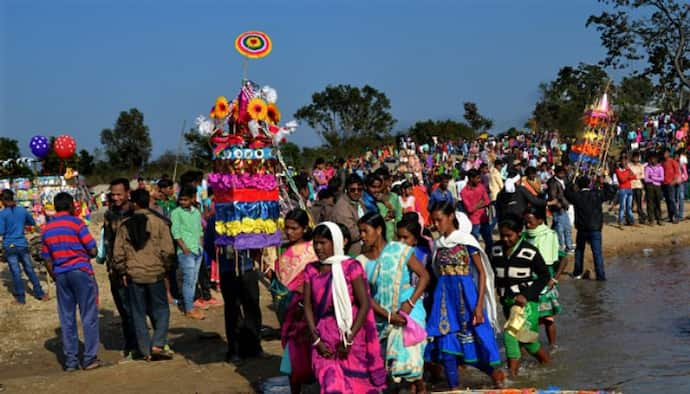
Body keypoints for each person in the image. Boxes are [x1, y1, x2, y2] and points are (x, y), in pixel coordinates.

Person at [426, 201, 504, 389]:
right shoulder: (438, 245)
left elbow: (482, 272)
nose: (436, 225)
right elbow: (436, 272)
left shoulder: (466, 241)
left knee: (474, 342)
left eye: (439, 220)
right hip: (445, 299)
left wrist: (478, 306)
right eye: (433, 221)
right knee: (447, 346)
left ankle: (497, 376)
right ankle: (454, 388)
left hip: (467, 297)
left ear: (451, 216)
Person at [303, 222, 387, 393]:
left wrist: (349, 339)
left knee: (356, 386)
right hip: (324, 336)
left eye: (323, 243)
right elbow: (307, 306)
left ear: (336, 242)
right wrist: (316, 339)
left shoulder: (351, 267)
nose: (318, 247)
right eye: (315, 243)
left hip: (351, 335)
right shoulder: (311, 270)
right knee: (330, 384)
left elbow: (364, 305)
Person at [357, 213, 429, 392]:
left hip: (410, 312)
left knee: (410, 365)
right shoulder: (362, 261)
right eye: (360, 232)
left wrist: (410, 304)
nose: (362, 236)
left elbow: (424, 276)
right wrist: (388, 316)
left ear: (379, 230)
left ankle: (420, 387)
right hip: (383, 317)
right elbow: (365, 297)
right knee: (390, 371)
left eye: (365, 231)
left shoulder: (399, 250)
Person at [113, 189, 175, 361]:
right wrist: (165, 268)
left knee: (138, 313)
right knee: (161, 310)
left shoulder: (124, 225)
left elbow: (117, 254)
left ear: (134, 203)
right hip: (156, 273)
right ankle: (158, 343)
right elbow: (168, 251)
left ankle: (145, 351)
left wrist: (123, 271)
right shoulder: (160, 223)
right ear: (148, 201)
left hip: (133, 275)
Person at [41, 192, 100, 371]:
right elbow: (92, 250)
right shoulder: (77, 223)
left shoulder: (47, 228)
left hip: (61, 274)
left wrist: (56, 276)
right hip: (81, 271)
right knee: (88, 315)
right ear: (71, 206)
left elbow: (47, 259)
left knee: (67, 318)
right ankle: (89, 359)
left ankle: (71, 362)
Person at [491, 216, 550, 377]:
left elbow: (545, 275)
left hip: (527, 305)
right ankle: (547, 364)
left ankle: (512, 377)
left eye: (509, 235)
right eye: (502, 235)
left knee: (510, 334)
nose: (505, 239)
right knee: (526, 341)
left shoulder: (529, 251)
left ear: (518, 233)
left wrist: (527, 294)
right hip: (507, 303)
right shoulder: (495, 250)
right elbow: (492, 274)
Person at [273, 209, 317, 394]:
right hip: (290, 309)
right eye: (287, 228)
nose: (289, 232)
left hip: (310, 308)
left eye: (294, 228)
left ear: (305, 228)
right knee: (293, 352)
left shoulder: (314, 249)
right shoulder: (283, 250)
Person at [103, 178, 138, 360]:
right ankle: (131, 344)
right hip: (115, 270)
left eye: (119, 194)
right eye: (113, 194)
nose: (115, 197)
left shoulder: (135, 213)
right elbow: (108, 242)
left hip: (134, 268)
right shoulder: (109, 215)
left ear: (127, 194)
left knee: (136, 308)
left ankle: (140, 344)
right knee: (124, 310)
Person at [523, 206, 565, 348]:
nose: (528, 225)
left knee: (548, 318)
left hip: (545, 282)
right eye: (526, 222)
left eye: (530, 222)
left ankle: (552, 347)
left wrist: (555, 279)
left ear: (540, 220)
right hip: (527, 281)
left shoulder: (550, 235)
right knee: (527, 319)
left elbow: (563, 259)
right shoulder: (523, 237)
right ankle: (529, 348)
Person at [0, 189, 48, 304]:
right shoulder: (22, 210)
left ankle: (21, 298)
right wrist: (20, 224)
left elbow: (1, 231)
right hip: (22, 244)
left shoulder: (2, 214)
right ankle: (40, 293)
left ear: (3, 200)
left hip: (9, 246)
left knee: (16, 272)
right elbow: (31, 222)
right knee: (29, 269)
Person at [171, 186, 205, 319]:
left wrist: (201, 244)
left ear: (192, 199)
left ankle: (189, 306)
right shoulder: (176, 213)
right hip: (186, 251)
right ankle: (189, 309)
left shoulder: (196, 212)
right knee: (188, 280)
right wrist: (183, 247)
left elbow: (200, 229)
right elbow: (176, 232)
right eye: (181, 200)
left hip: (197, 249)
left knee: (193, 280)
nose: (183, 202)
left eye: (185, 200)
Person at [565, 176, 607, 281]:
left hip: (582, 228)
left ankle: (577, 272)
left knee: (579, 251)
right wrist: (603, 183)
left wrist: (571, 183)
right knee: (597, 253)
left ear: (578, 186)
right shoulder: (597, 194)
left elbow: (566, 192)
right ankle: (600, 276)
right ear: (589, 184)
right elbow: (611, 191)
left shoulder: (577, 196)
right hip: (595, 228)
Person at [332, 174, 366, 255]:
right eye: (353, 189)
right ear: (347, 189)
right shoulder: (342, 206)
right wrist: (369, 230)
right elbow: (351, 233)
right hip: (352, 251)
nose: (356, 192)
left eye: (359, 189)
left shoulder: (359, 202)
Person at [461, 169, 493, 250]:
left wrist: (476, 206)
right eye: (478, 178)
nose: (480, 180)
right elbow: (469, 209)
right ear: (471, 178)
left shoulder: (481, 186)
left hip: (483, 219)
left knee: (489, 242)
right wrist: (480, 203)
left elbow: (487, 201)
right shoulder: (464, 192)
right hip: (474, 221)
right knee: (474, 244)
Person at [547, 166, 574, 252]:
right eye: (561, 172)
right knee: (560, 229)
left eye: (563, 172)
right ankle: (562, 246)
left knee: (566, 228)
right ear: (557, 173)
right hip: (558, 209)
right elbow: (553, 196)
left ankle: (568, 246)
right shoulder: (553, 183)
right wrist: (559, 205)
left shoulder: (563, 181)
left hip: (564, 207)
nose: (563, 174)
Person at [615, 156, 637, 226]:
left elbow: (634, 176)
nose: (625, 163)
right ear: (620, 162)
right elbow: (622, 179)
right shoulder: (618, 170)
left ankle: (632, 221)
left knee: (629, 207)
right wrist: (628, 175)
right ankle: (620, 221)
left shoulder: (627, 170)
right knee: (622, 207)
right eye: (623, 161)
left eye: (626, 161)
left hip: (629, 189)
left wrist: (629, 170)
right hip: (623, 190)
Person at [644, 153, 665, 225]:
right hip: (650, 186)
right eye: (651, 159)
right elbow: (646, 179)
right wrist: (654, 179)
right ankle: (651, 219)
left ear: (657, 159)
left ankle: (659, 219)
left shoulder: (660, 168)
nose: (653, 160)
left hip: (657, 186)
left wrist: (652, 178)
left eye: (654, 159)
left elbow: (662, 178)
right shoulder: (648, 167)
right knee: (650, 203)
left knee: (658, 203)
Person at [661, 148, 680, 223]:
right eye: (663, 153)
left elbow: (677, 172)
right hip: (664, 184)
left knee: (672, 200)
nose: (664, 154)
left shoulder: (672, 161)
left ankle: (676, 216)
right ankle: (670, 217)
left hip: (670, 183)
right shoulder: (662, 162)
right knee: (668, 201)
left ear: (668, 153)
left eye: (665, 153)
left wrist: (674, 181)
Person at [629, 152, 647, 224]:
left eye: (637, 157)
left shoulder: (641, 166)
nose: (636, 159)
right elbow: (629, 176)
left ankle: (641, 218)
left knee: (639, 204)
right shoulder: (629, 166)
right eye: (635, 157)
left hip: (639, 186)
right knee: (631, 204)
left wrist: (635, 176)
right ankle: (630, 219)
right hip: (631, 186)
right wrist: (637, 175)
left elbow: (643, 176)